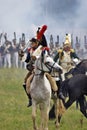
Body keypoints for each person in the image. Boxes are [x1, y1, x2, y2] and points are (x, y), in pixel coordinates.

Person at [54, 34, 80, 100]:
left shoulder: (72, 52)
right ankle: (61, 92)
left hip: (70, 67)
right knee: (63, 79)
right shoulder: (60, 52)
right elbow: (54, 59)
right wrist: (56, 66)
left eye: (69, 46)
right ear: (64, 46)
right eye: (66, 46)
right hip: (62, 68)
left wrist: (74, 60)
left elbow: (77, 58)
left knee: (73, 76)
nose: (68, 47)